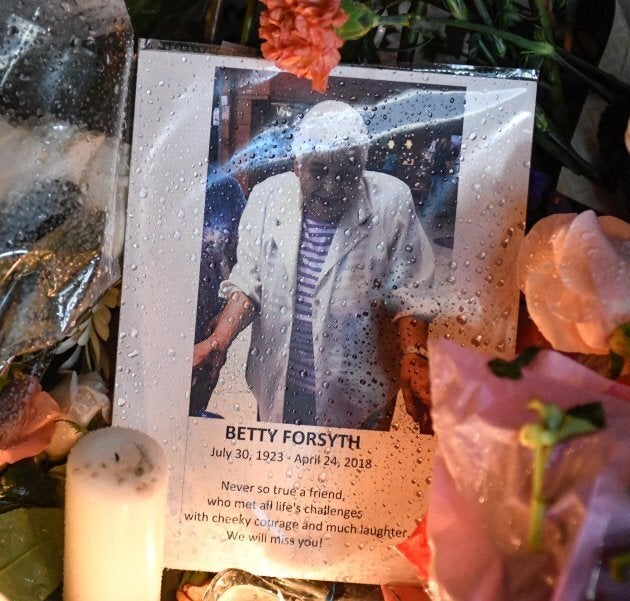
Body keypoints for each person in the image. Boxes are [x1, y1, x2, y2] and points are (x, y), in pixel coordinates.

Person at [193, 100, 436, 432]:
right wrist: (219, 341)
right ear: (297, 164)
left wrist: (414, 353)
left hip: (362, 389)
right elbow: (249, 281)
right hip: (281, 378)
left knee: (352, 477)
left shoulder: (392, 201)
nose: (332, 186)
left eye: (347, 172)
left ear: (362, 167)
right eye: (319, 170)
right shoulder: (266, 197)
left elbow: (411, 289)